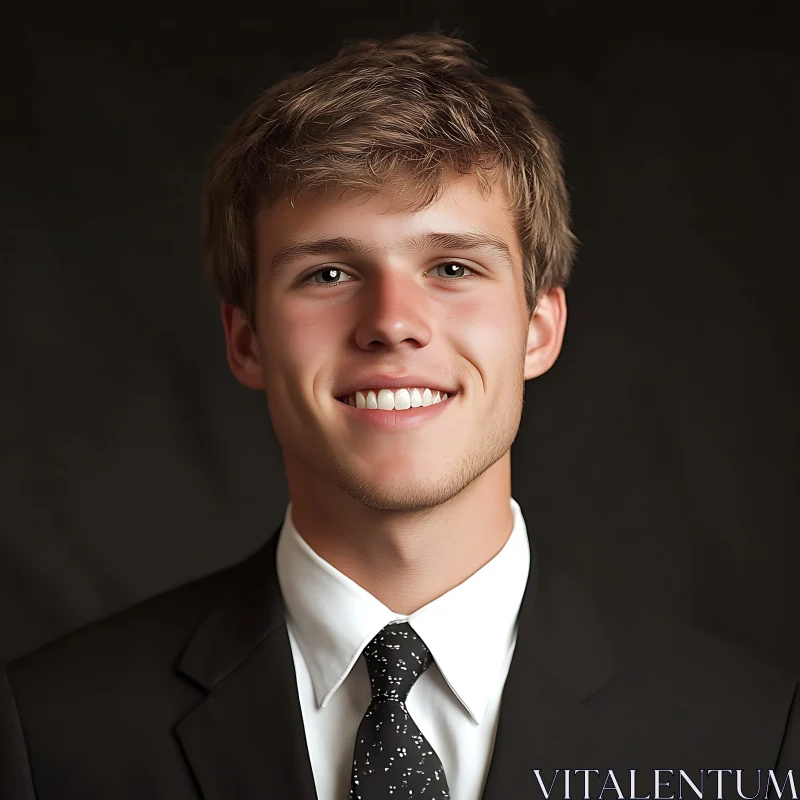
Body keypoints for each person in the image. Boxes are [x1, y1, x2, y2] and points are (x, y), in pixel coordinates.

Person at [1, 31, 798, 800]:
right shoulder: (47, 734)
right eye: (328, 272)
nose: (392, 321)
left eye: (453, 266)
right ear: (245, 340)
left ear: (539, 329)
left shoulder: (758, 735)